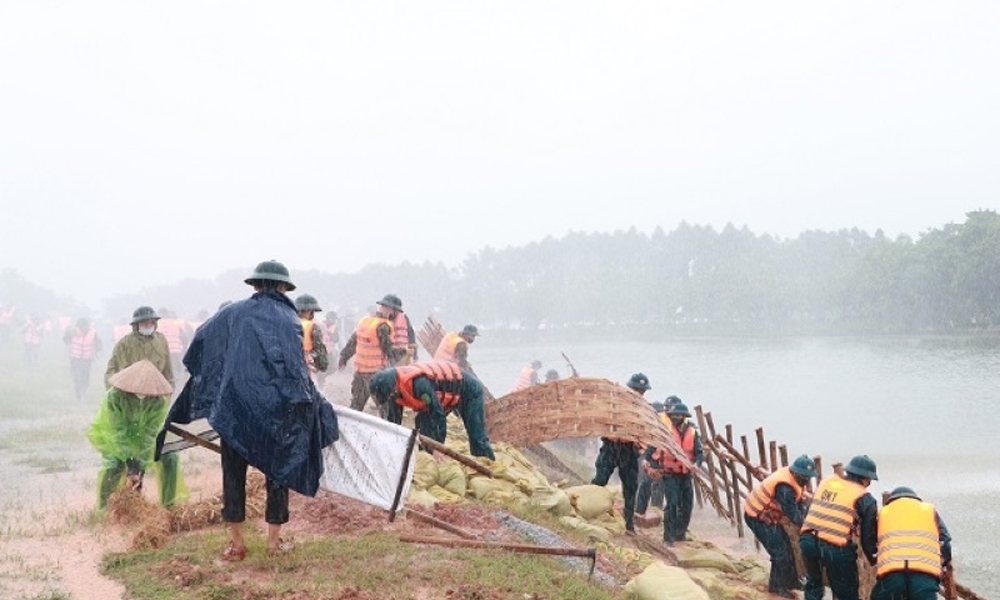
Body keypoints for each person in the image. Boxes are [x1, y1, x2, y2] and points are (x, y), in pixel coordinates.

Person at [157, 259, 339, 560]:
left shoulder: (232, 313)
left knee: (233, 474)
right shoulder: (289, 319)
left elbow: (200, 342)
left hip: (235, 411)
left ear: (255, 285)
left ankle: (237, 544)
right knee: (278, 471)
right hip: (276, 414)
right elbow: (294, 370)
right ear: (283, 287)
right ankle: (273, 542)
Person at [88, 359, 187, 510]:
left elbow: (150, 435)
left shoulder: (158, 402)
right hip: (112, 436)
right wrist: (130, 462)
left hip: (141, 439)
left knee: (170, 457)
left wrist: (139, 466)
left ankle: (169, 507)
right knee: (114, 465)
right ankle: (104, 509)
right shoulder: (115, 397)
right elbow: (117, 432)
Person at [368, 360, 496, 460]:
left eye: (389, 395)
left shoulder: (419, 385)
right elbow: (393, 422)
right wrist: (388, 445)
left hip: (468, 390)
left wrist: (438, 447)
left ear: (393, 387)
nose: (390, 397)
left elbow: (437, 414)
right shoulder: (394, 391)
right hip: (444, 397)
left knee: (476, 434)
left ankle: (487, 462)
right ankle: (428, 457)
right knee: (422, 425)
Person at [799, 454, 879, 600]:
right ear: (866, 479)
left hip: (808, 540)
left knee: (814, 584)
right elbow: (867, 540)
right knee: (846, 592)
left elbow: (812, 508)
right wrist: (874, 560)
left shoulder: (827, 482)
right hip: (835, 548)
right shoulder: (866, 499)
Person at [743, 455, 818, 598]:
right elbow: (791, 512)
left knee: (787, 549)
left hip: (767, 516)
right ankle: (778, 587)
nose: (806, 480)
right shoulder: (785, 487)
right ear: (795, 473)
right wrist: (807, 527)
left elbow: (798, 503)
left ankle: (789, 582)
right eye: (804, 477)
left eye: (808, 477)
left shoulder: (792, 479)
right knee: (780, 553)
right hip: (757, 517)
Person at [591, 372, 651, 533]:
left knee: (630, 487)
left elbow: (645, 433)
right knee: (600, 480)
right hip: (611, 446)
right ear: (630, 388)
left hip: (629, 451)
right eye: (637, 389)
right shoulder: (614, 402)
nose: (639, 393)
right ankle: (590, 512)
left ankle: (629, 523)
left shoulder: (643, 410)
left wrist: (642, 451)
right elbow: (601, 418)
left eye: (642, 391)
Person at [870, 486, 952, 600]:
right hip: (924, 574)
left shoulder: (883, 513)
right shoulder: (928, 510)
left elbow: (871, 541)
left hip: (892, 575)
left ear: (891, 500)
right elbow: (945, 540)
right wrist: (944, 562)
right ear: (916, 498)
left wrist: (874, 560)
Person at [642, 401, 704, 546]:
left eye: (678, 415)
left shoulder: (693, 433)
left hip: (685, 474)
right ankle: (668, 537)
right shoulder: (665, 431)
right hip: (670, 474)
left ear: (684, 416)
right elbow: (652, 447)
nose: (676, 417)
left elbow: (700, 454)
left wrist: (697, 465)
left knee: (687, 505)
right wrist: (646, 460)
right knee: (672, 504)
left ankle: (680, 533)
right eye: (673, 415)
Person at [338, 296, 407, 414]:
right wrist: (403, 351)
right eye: (395, 312)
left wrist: (344, 357)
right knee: (387, 411)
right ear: (390, 309)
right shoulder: (383, 326)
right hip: (376, 375)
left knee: (355, 409)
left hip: (360, 373)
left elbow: (352, 343)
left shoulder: (365, 322)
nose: (396, 315)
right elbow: (389, 352)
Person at [105, 306, 174, 390]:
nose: (148, 325)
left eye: (151, 323)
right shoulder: (124, 344)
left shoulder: (161, 341)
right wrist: (115, 392)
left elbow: (168, 369)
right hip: (130, 391)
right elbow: (112, 370)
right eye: (145, 323)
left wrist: (169, 388)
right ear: (136, 325)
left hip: (155, 391)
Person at [635, 399, 668, 519]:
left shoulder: (664, 426)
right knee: (644, 483)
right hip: (643, 456)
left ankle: (655, 509)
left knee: (657, 485)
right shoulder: (643, 423)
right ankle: (641, 509)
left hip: (657, 458)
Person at [63, 317, 103, 401]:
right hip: (75, 358)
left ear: (88, 326)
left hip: (87, 359)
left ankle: (83, 390)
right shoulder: (73, 332)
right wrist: (68, 333)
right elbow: (65, 340)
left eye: (84, 326)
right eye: (80, 326)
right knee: (76, 377)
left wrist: (97, 349)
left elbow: (99, 344)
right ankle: (78, 392)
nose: (82, 328)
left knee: (86, 377)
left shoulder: (93, 333)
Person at [377, 294, 418, 366]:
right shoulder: (380, 322)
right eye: (383, 307)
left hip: (403, 357)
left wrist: (414, 357)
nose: (383, 309)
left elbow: (411, 338)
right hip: (388, 357)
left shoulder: (404, 319)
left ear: (395, 310)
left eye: (386, 307)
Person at [295, 294, 330, 375]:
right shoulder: (312, 326)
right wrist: (322, 365)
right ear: (310, 311)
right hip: (303, 366)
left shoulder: (288, 323)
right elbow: (319, 349)